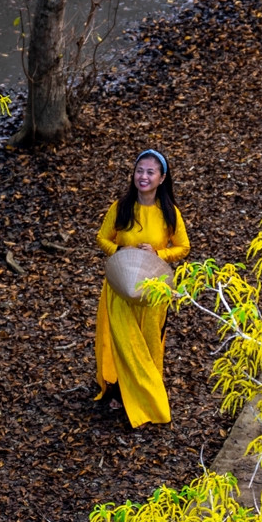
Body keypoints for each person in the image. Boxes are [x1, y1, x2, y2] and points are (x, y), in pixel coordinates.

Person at [93, 148, 190, 428]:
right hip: (120, 287)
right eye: (139, 171)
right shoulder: (121, 207)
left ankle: (147, 398)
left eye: (150, 172)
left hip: (153, 291)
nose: (143, 177)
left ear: (161, 178)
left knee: (147, 344)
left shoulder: (169, 213)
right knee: (123, 342)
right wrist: (122, 249)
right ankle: (121, 392)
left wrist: (159, 254)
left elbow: (183, 247)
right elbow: (102, 239)